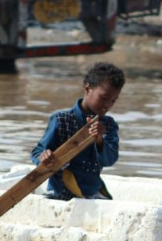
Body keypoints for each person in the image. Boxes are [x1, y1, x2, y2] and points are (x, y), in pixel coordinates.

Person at [30, 62, 125, 200]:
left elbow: (109, 160)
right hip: (60, 193)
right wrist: (44, 157)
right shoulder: (61, 120)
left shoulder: (108, 125)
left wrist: (99, 140)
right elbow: (37, 152)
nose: (107, 105)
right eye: (103, 98)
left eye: (113, 101)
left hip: (92, 193)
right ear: (88, 89)